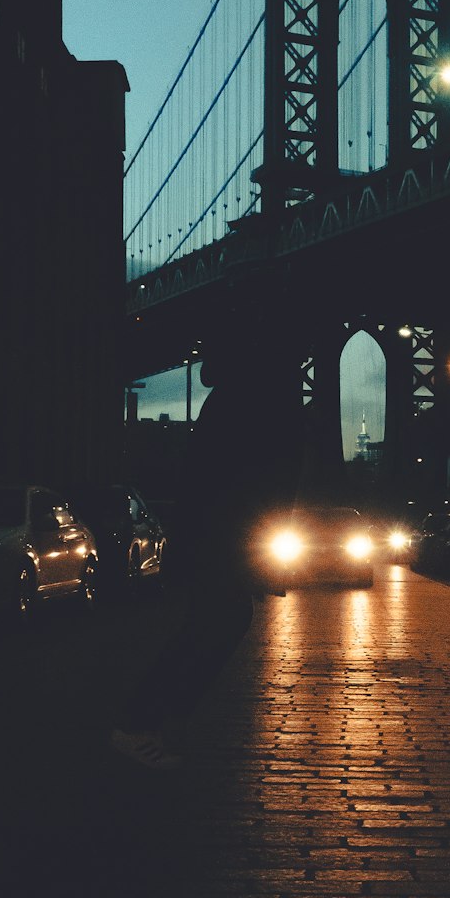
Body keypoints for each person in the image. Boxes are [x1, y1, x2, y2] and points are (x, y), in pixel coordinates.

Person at [110, 329, 306, 769]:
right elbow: (244, 482)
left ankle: (154, 723)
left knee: (212, 623)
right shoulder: (255, 401)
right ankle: (142, 723)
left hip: (220, 535)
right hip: (224, 536)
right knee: (216, 623)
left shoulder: (237, 399)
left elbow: (224, 480)